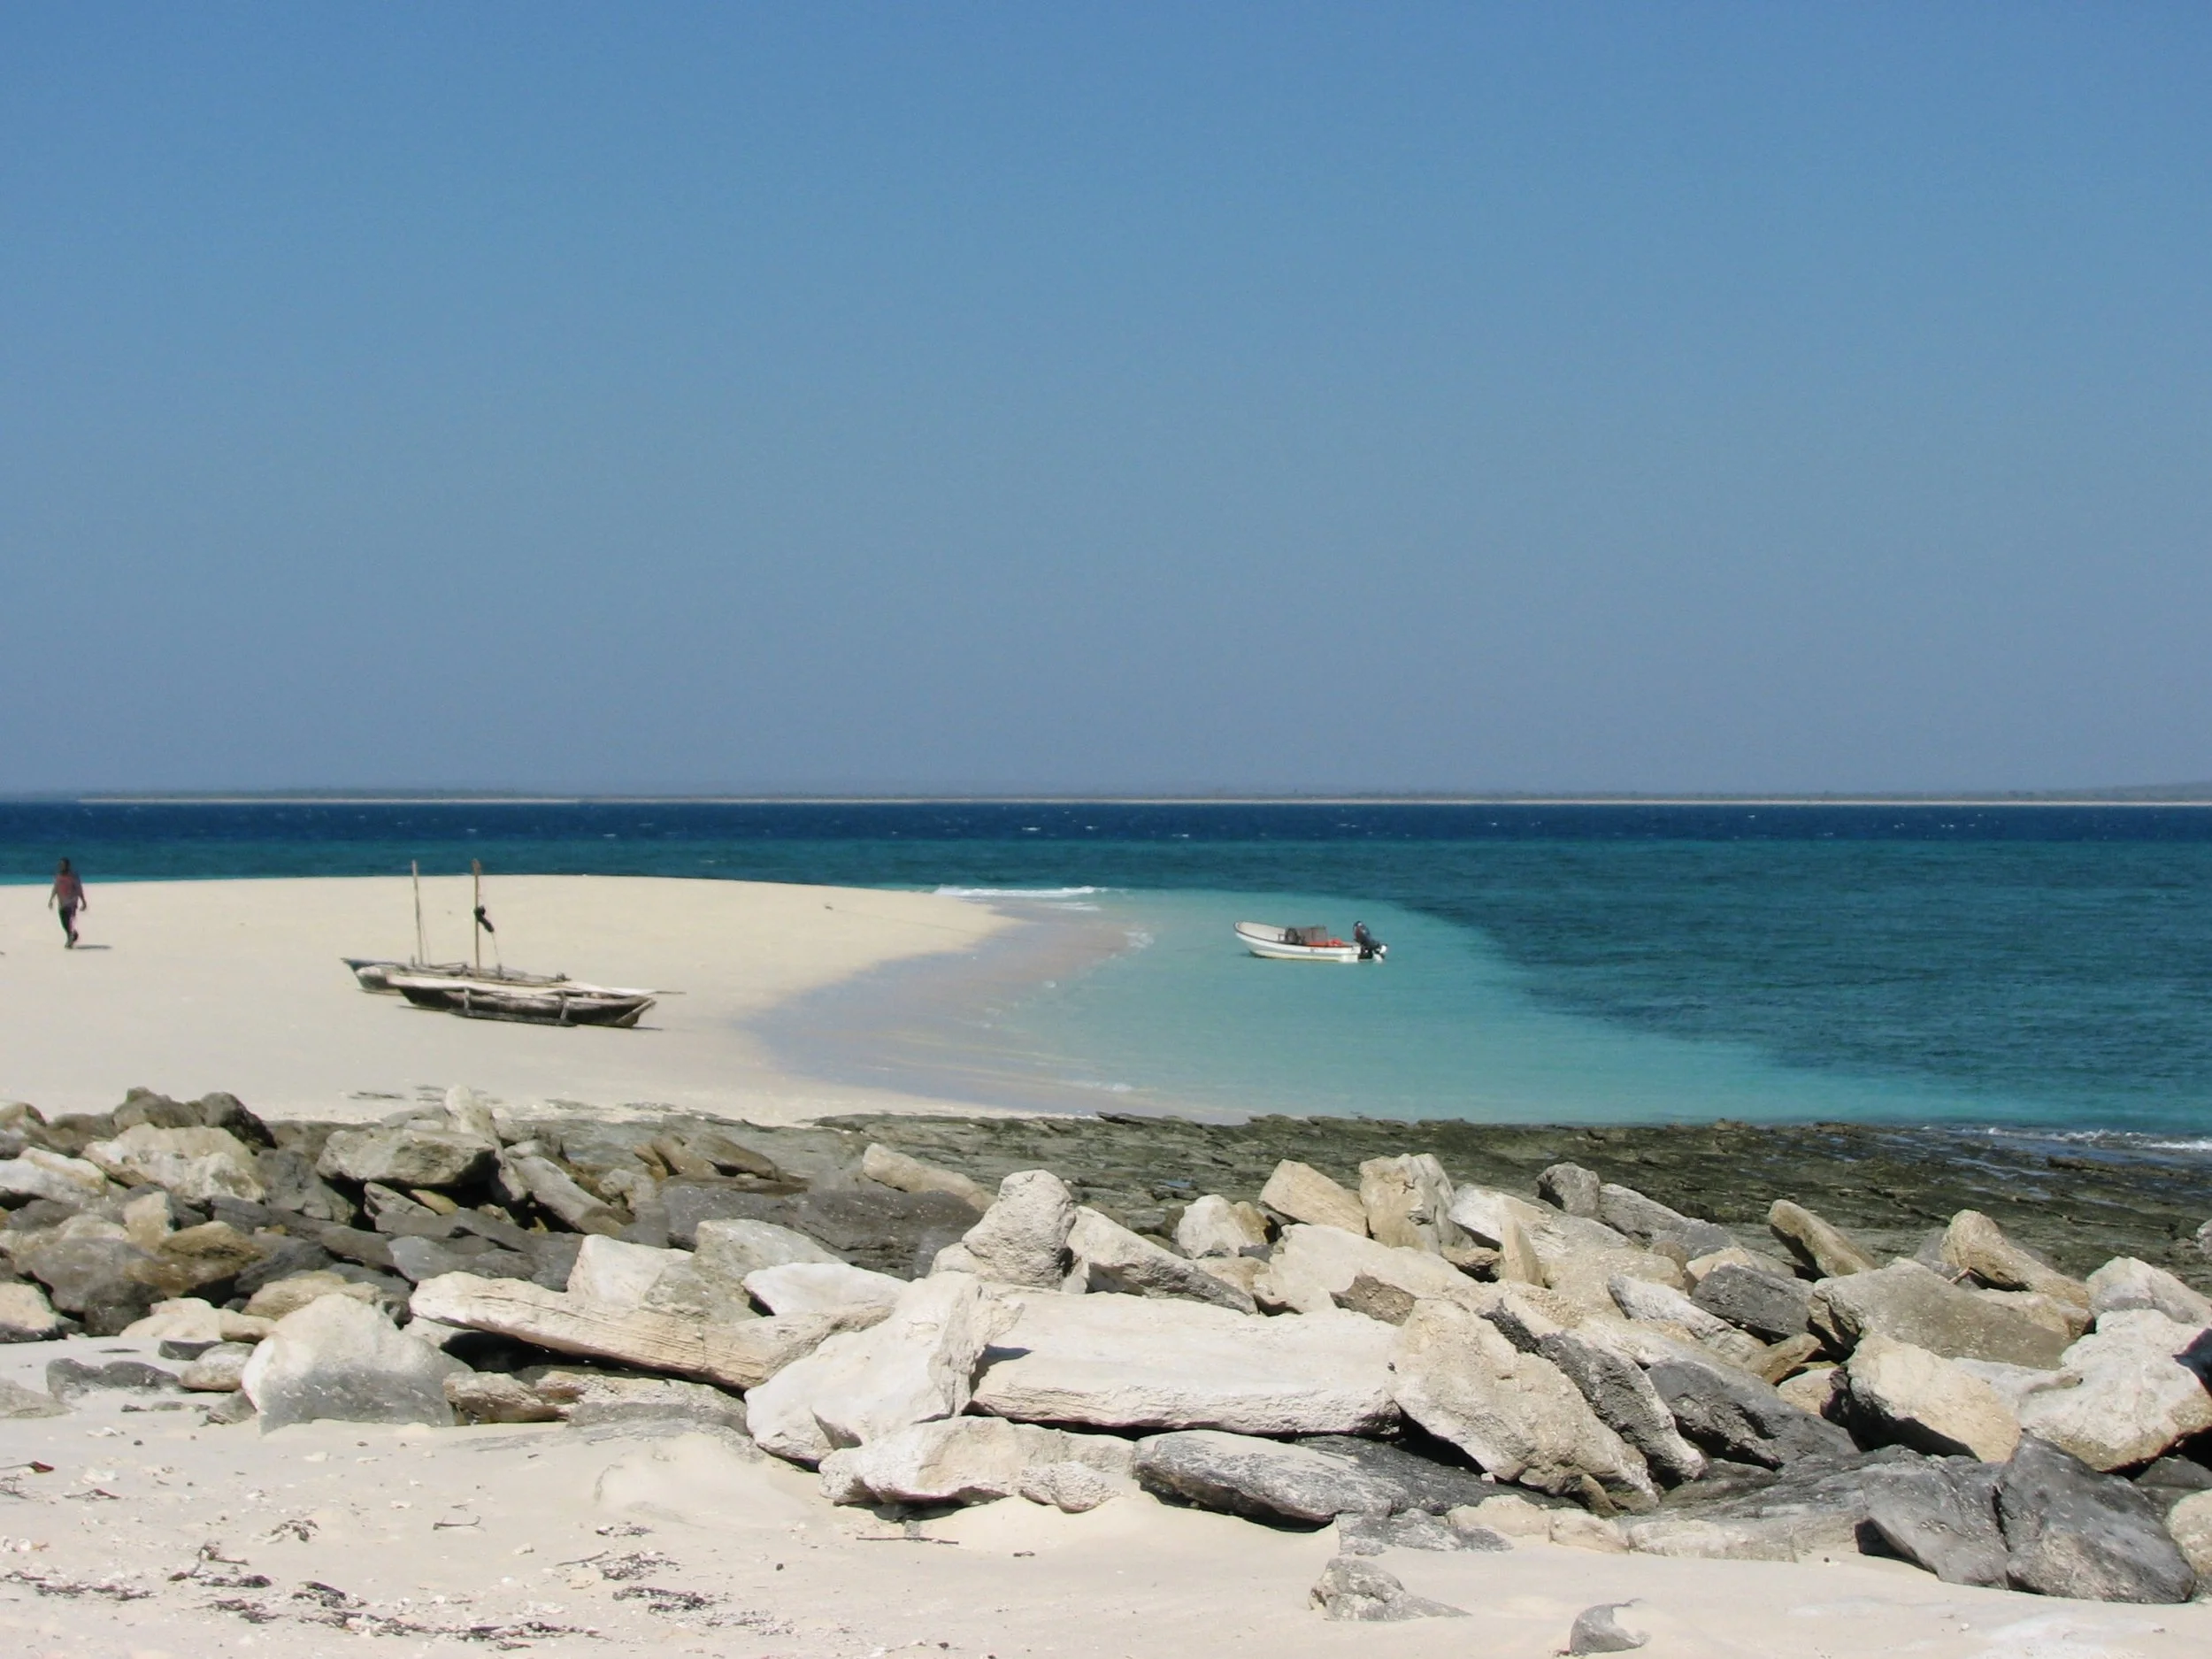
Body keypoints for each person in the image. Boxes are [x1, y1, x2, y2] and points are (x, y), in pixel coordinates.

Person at [49, 858, 88, 948]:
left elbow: (79, 888)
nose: (62, 867)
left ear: (68, 866)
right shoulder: (58, 876)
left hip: (72, 902)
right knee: (64, 922)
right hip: (62, 902)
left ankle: (70, 938)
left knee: (70, 921)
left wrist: (83, 901)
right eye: (61, 865)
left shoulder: (73, 876)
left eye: (64, 865)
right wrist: (51, 899)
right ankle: (72, 935)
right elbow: (55, 888)